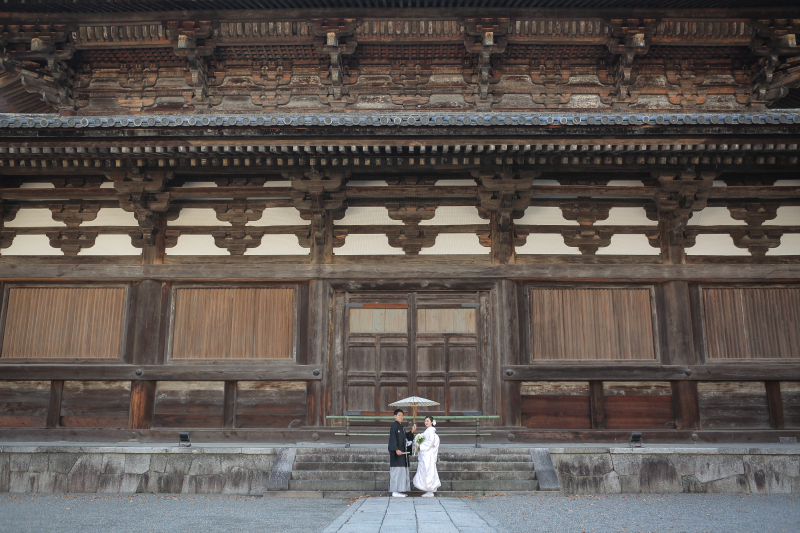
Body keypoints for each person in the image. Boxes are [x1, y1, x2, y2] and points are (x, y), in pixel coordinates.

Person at [388, 408, 416, 498]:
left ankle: (399, 490)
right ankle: (395, 491)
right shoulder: (394, 427)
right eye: (399, 415)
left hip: (402, 453)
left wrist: (412, 431)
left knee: (401, 472)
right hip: (397, 454)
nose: (401, 417)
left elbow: (405, 438)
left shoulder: (401, 427)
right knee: (397, 472)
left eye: (402, 415)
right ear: (395, 416)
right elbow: (392, 439)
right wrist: (396, 449)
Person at [412, 415, 441, 497]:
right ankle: (428, 490)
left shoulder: (431, 431)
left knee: (428, 470)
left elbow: (431, 442)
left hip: (428, 454)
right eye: (425, 421)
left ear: (432, 422)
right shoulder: (428, 430)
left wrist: (421, 446)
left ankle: (430, 489)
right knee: (426, 470)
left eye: (428, 421)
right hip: (425, 453)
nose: (426, 422)